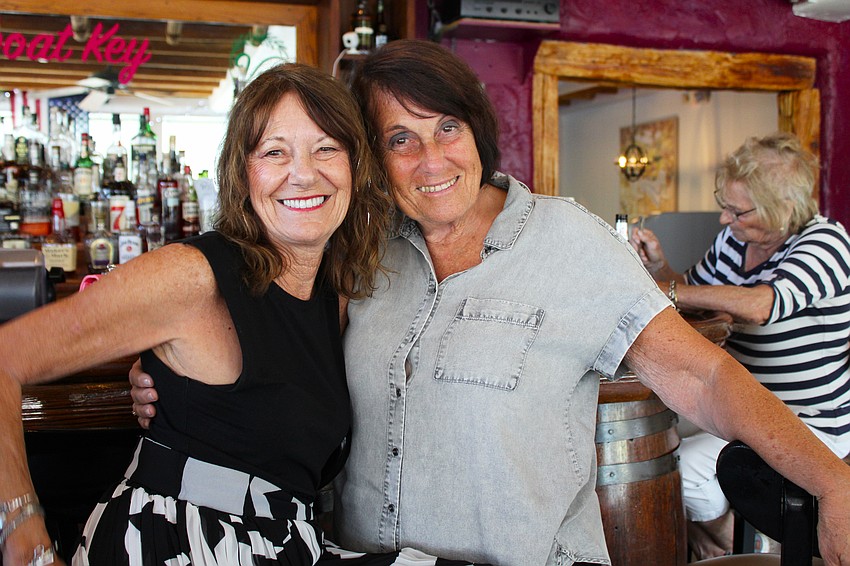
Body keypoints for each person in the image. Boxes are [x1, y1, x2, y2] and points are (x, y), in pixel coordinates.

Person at [131, 41, 850, 566]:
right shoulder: (360, 254)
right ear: (371, 159)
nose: (432, 159)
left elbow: (706, 377)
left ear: (478, 129)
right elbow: (273, 343)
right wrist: (167, 373)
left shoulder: (569, 240)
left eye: (448, 127)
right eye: (400, 139)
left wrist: (833, 478)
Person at [0, 63, 491, 566]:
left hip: (285, 546)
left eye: (327, 148)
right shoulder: (190, 277)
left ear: (355, 167)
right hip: (178, 547)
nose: (304, 173)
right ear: (243, 172)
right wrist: (24, 537)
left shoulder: (338, 292)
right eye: (275, 152)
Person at [630, 131, 850, 558]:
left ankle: (736, 548)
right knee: (649, 439)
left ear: (783, 208)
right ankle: (733, 541)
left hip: (805, 419)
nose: (724, 221)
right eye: (724, 207)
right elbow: (694, 294)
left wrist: (665, 289)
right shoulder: (737, 240)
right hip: (743, 404)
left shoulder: (826, 243)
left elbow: (760, 305)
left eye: (737, 211)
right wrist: (662, 269)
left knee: (680, 467)